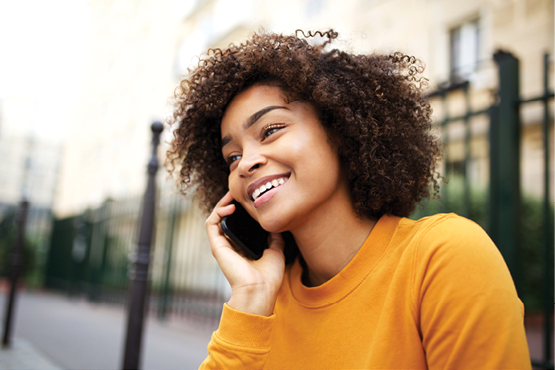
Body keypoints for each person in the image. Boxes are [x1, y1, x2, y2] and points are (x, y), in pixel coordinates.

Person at [166, 30, 531, 369]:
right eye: (232, 156)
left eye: (271, 130)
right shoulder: (262, 305)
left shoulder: (445, 256)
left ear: (339, 130)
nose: (245, 163)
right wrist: (250, 298)